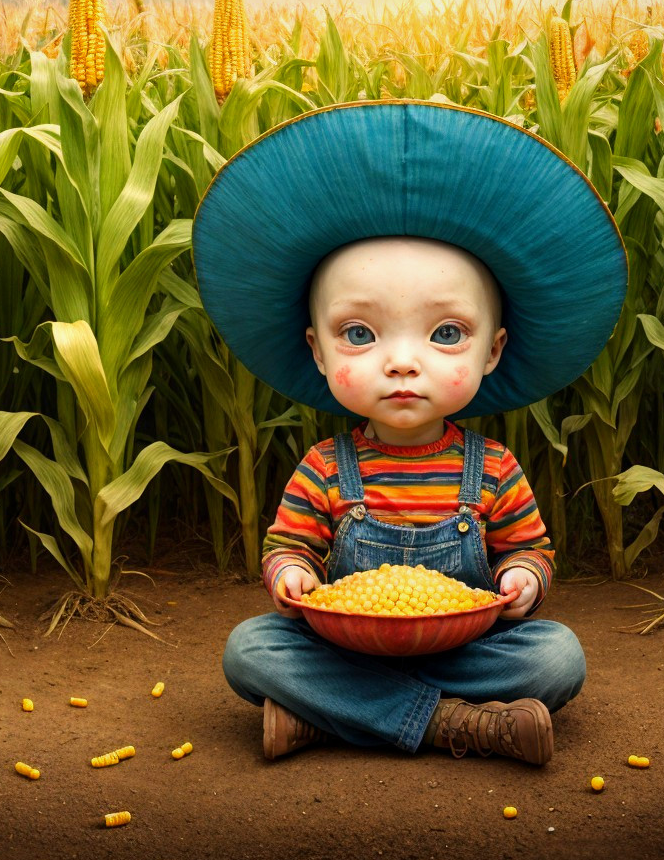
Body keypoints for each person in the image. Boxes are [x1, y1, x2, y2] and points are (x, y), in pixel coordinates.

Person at [191, 100, 626, 766]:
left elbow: (529, 551)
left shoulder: (494, 468)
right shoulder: (325, 467)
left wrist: (523, 581)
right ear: (316, 350)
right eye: (359, 334)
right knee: (252, 648)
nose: (400, 361)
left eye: (445, 333)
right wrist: (292, 576)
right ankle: (455, 723)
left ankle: (333, 716)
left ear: (493, 351)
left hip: (465, 648)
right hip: (346, 648)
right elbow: (289, 548)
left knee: (556, 657)